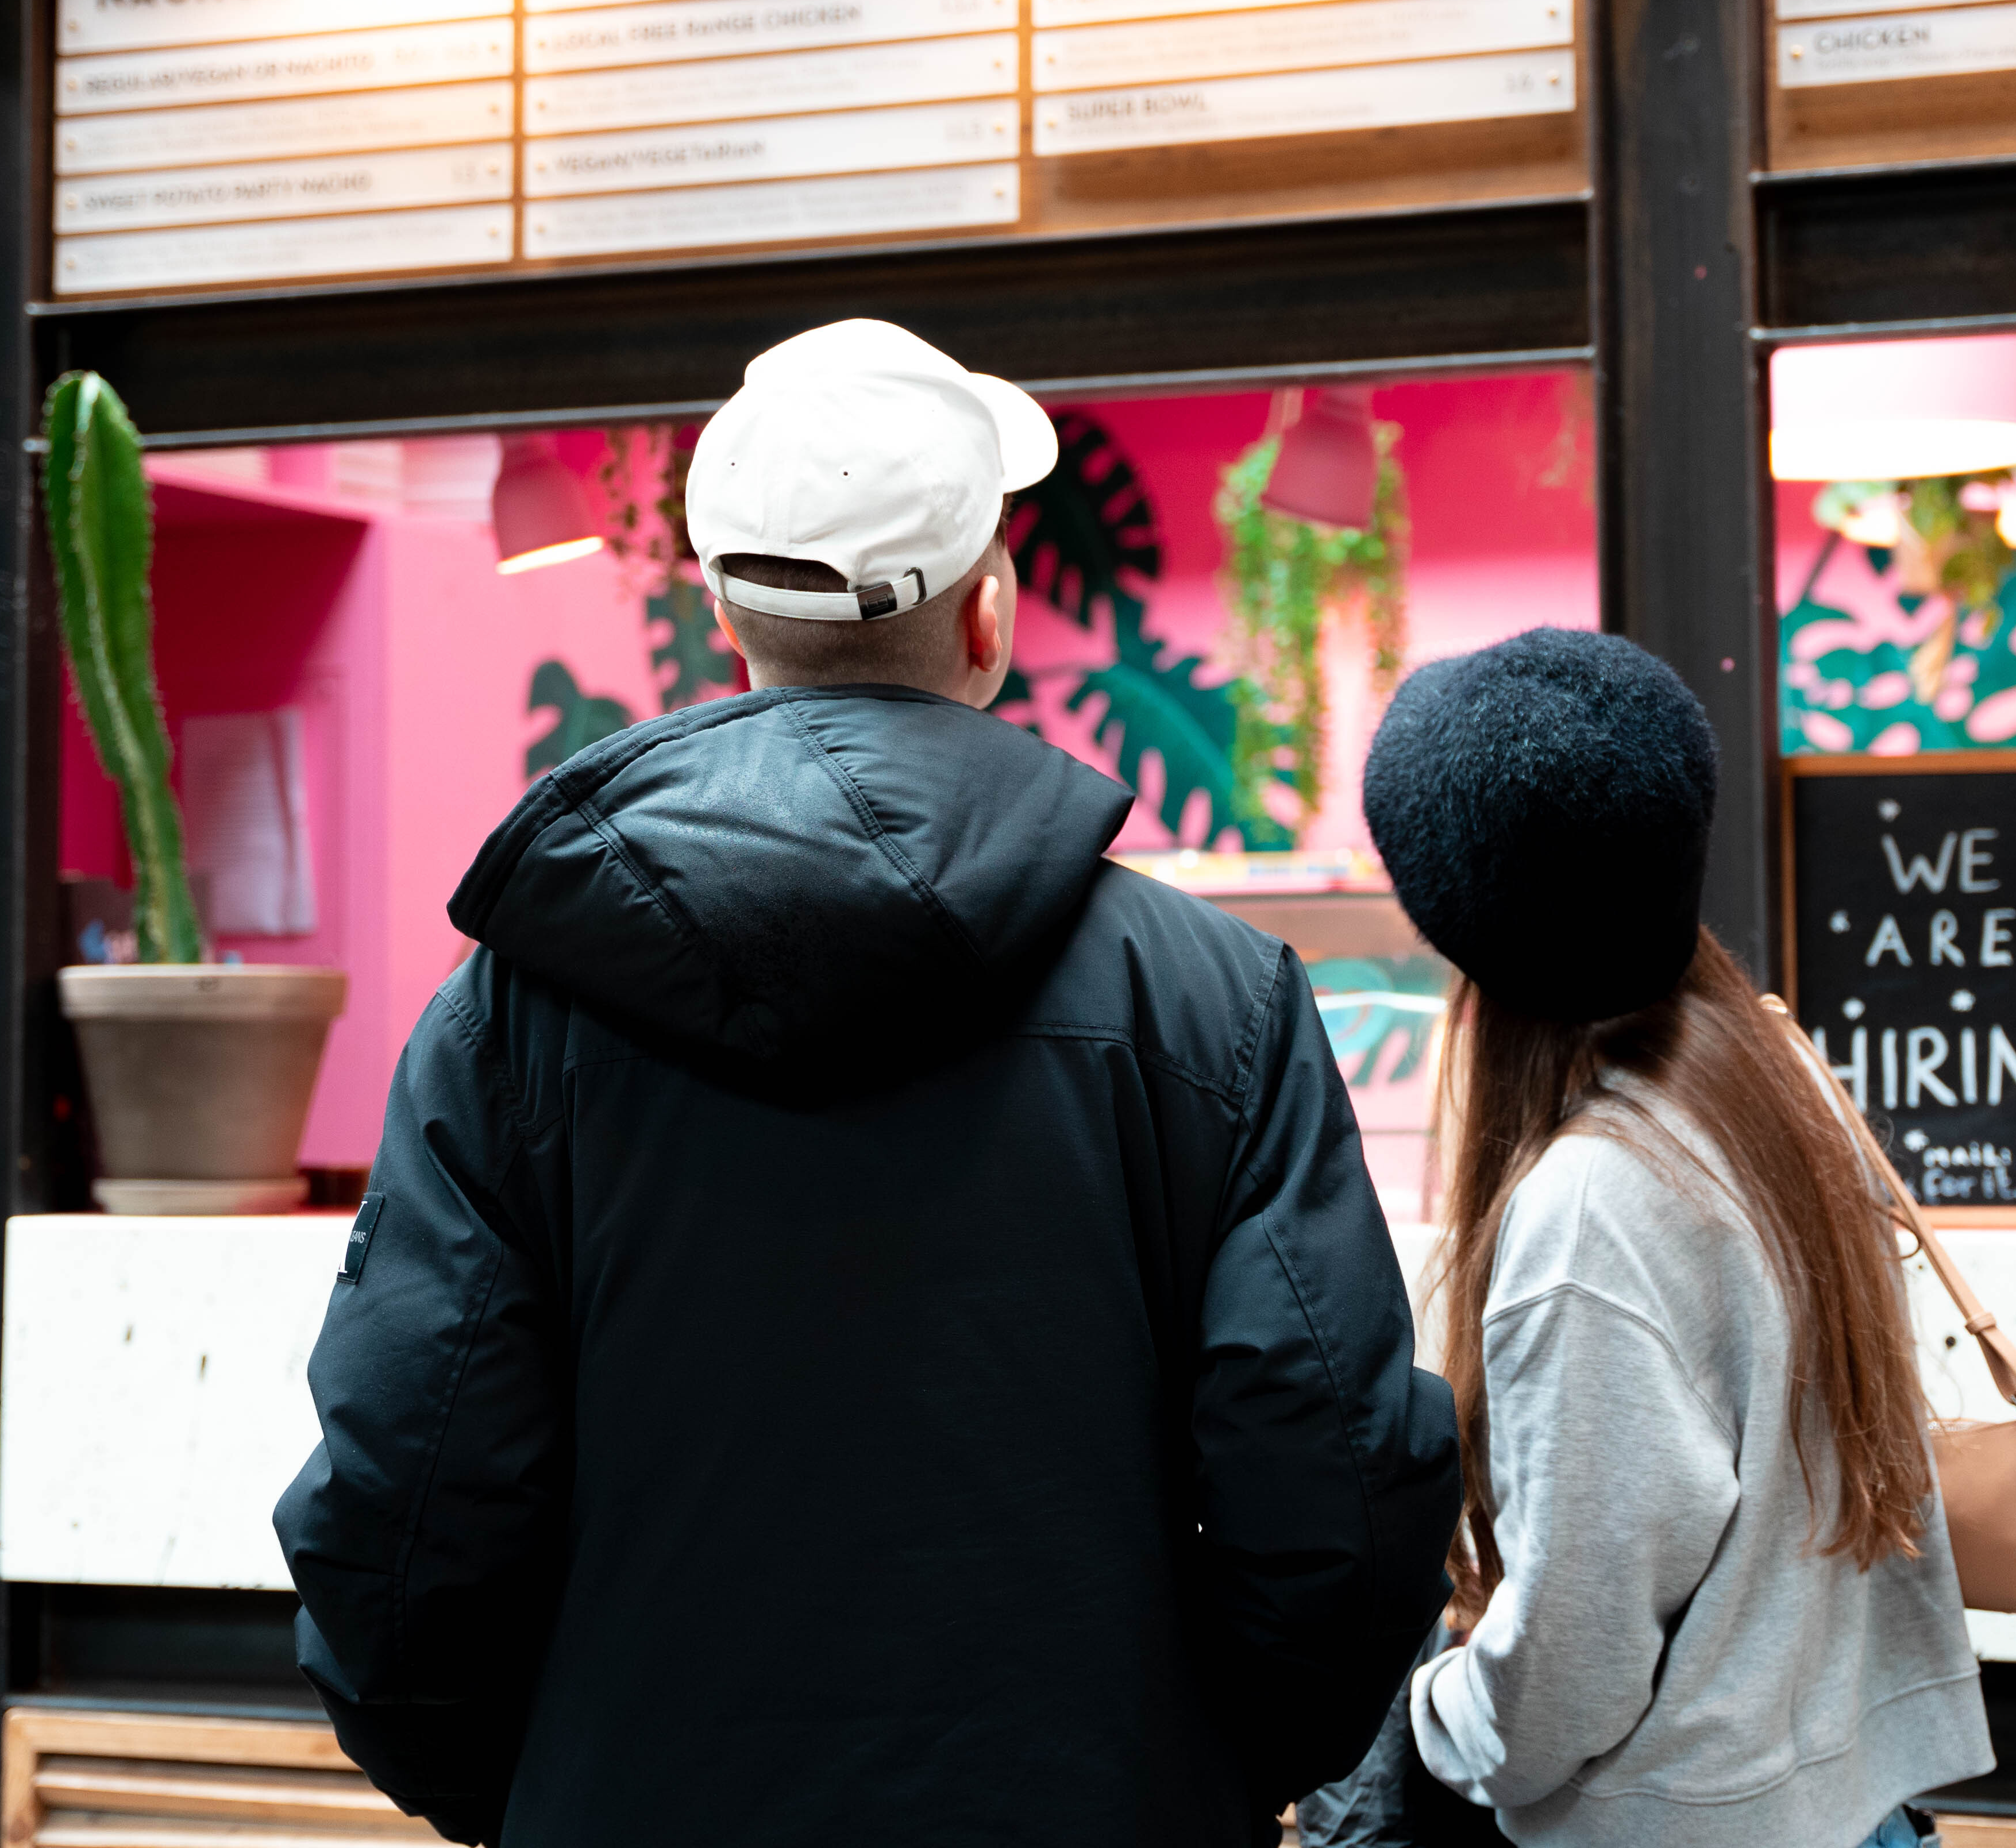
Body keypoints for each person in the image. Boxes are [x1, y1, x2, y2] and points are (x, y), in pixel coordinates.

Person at [273, 318, 1462, 1847]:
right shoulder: (1216, 1003)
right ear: (988, 615)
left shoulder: (514, 1016)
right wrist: (1207, 1763)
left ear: (728, 624)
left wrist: (530, 1785)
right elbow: (1338, 1486)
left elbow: (405, 1488)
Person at [1320, 628, 1992, 1848]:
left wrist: (1426, 1710)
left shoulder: (1590, 1205)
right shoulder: (1775, 1081)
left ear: (1460, 923)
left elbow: (1572, 1672)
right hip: (1847, 1804)